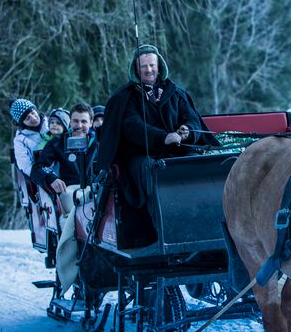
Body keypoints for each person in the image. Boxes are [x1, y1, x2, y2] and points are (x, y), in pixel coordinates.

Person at [96, 44, 219, 208]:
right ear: (136, 69)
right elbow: (133, 126)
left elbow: (191, 117)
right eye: (143, 66)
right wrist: (163, 138)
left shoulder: (176, 93)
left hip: (178, 150)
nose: (149, 70)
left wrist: (187, 131)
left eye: (152, 65)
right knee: (151, 170)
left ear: (159, 66)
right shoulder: (125, 98)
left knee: (197, 164)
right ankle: (160, 221)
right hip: (141, 155)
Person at [31, 103, 97, 209]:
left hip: (95, 189)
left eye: (84, 121)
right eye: (75, 121)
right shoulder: (58, 142)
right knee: (75, 209)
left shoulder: (99, 143)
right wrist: (51, 178)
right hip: (70, 190)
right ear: (70, 122)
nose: (79, 125)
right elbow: (37, 168)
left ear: (91, 123)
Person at [10, 98, 49, 177]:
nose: (33, 118)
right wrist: (47, 178)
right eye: (27, 118)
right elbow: (25, 166)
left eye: (32, 113)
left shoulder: (52, 123)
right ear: (22, 123)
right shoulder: (20, 140)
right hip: (43, 177)